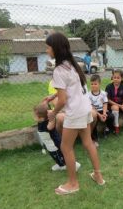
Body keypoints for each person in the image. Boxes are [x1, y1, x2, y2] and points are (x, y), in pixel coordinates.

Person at [45, 32, 105, 195]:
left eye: (48, 47)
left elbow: (63, 100)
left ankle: (73, 183)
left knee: (66, 147)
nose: (46, 50)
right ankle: (98, 176)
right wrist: (54, 95)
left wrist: (53, 113)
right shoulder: (72, 65)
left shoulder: (58, 69)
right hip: (85, 109)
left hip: (75, 112)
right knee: (88, 142)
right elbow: (72, 89)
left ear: (55, 48)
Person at [33, 102, 81, 172]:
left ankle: (66, 165)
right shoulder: (42, 121)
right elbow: (42, 108)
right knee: (56, 156)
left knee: (59, 155)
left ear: (41, 117)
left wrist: (52, 115)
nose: (33, 117)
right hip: (49, 145)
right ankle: (61, 164)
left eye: (35, 116)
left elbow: (50, 126)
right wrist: (46, 101)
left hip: (54, 144)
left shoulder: (48, 123)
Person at [88, 74, 114, 144]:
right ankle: (94, 137)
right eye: (92, 84)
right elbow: (92, 107)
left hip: (102, 110)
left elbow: (105, 104)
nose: (93, 85)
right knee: (93, 120)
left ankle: (107, 129)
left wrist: (104, 114)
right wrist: (100, 115)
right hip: (94, 112)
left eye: (95, 84)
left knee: (111, 116)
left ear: (99, 84)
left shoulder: (103, 94)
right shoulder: (88, 95)